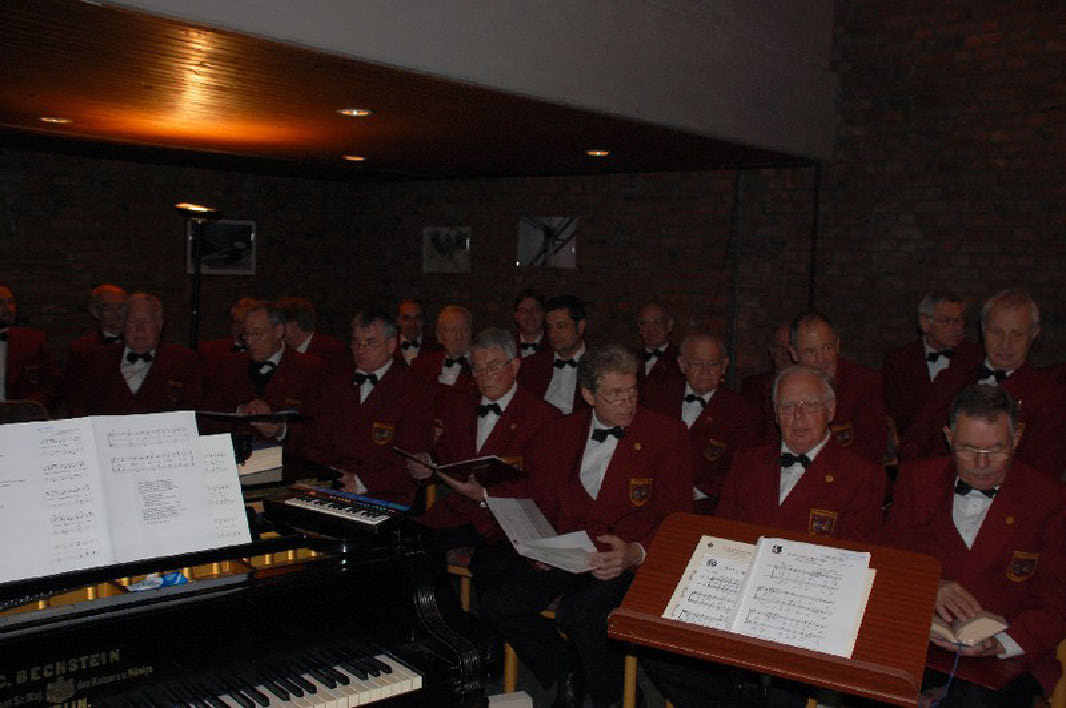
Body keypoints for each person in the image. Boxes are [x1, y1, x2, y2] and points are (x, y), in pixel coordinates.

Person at [645, 365, 885, 708]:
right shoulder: (748, 462)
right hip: (736, 601)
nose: (798, 417)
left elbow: (852, 564)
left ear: (831, 410)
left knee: (786, 690)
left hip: (802, 616)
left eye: (809, 405)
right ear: (775, 413)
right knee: (660, 653)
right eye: (787, 406)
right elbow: (723, 534)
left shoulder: (861, 476)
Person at [477, 344, 692, 708]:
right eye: (615, 395)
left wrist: (636, 552)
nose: (628, 403)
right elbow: (539, 498)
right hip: (568, 550)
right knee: (500, 604)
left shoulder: (667, 434)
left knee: (581, 615)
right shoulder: (561, 432)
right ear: (588, 395)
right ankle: (568, 670)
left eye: (632, 392)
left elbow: (678, 517)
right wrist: (538, 546)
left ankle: (613, 697)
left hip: (622, 558)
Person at [883, 384, 1066, 707]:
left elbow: (1056, 603)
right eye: (967, 449)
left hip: (1008, 661)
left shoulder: (1049, 500)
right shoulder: (916, 481)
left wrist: (1001, 642)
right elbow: (887, 566)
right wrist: (929, 586)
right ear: (949, 437)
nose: (981, 464)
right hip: (919, 649)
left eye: (995, 450)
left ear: (1017, 437)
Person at [410, 327, 560, 550]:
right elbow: (445, 454)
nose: (484, 376)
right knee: (406, 545)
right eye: (477, 368)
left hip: (507, 525)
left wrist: (486, 494)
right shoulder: (461, 407)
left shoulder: (543, 417)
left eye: (493, 367)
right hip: (458, 514)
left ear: (515, 366)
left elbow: (544, 486)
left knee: (490, 566)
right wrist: (427, 463)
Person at [900, 288, 1066, 478]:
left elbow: (1042, 472)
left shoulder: (1049, 397)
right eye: (996, 332)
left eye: (1017, 334)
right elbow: (913, 443)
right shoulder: (951, 380)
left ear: (1034, 333)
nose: (1005, 344)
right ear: (983, 329)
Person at [312, 308, 434, 505]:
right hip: (331, 486)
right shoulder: (335, 383)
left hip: (383, 495)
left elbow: (410, 460)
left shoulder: (413, 389)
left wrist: (361, 483)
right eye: (356, 342)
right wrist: (331, 475)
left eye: (370, 343)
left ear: (391, 345)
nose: (360, 350)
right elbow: (316, 441)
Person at [641, 333, 761, 512]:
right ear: (682, 364)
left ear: (724, 365)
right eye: (697, 363)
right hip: (652, 501)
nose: (706, 371)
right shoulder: (657, 399)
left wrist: (696, 492)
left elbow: (741, 469)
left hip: (706, 509)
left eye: (713, 364)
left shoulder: (742, 412)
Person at [204, 300, 324, 456]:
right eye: (246, 334)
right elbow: (207, 413)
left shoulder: (310, 369)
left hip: (287, 460)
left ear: (278, 331)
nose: (250, 341)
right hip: (234, 456)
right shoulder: (228, 365)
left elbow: (320, 424)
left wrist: (282, 429)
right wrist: (241, 411)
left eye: (257, 333)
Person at [73, 293, 202, 416]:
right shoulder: (96, 360)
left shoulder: (183, 361)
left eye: (147, 321)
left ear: (159, 325)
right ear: (123, 324)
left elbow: (194, 409)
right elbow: (79, 409)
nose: (140, 329)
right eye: (132, 321)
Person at [789, 312, 886, 464]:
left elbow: (871, 449)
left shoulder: (863, 383)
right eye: (811, 352)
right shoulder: (786, 389)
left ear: (838, 345)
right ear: (794, 354)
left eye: (827, 348)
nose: (821, 360)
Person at [881, 290, 982, 435]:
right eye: (947, 321)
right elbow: (892, 412)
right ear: (925, 323)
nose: (958, 328)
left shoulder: (975, 357)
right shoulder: (899, 360)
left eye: (960, 320)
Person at [517, 293, 590, 414]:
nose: (553, 334)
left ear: (580, 327)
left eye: (561, 326)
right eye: (550, 327)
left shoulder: (599, 364)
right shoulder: (531, 365)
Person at [63, 284, 128, 409]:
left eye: (121, 307)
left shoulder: (143, 344)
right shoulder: (82, 349)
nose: (117, 313)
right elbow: (75, 396)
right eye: (109, 307)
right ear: (95, 312)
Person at [0, 284, 60, 410]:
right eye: (1, 303)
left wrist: (29, 408)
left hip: (23, 416)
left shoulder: (33, 340)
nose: (8, 308)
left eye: (11, 302)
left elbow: (53, 382)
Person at [740, 322, 792, 442]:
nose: (785, 353)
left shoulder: (814, 388)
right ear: (771, 351)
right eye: (780, 347)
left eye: (790, 347)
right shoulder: (754, 387)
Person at [409, 305, 475, 391]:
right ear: (439, 336)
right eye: (452, 330)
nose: (459, 336)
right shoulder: (421, 366)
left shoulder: (481, 366)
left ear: (471, 332)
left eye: (465, 329)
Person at [276, 296, 349, 374]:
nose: (272, 329)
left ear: (293, 326)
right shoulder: (281, 352)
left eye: (276, 324)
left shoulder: (333, 352)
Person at [197, 296, 258, 376]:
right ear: (233, 325)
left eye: (251, 323)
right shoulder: (211, 351)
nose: (245, 328)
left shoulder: (267, 350)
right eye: (240, 322)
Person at [635, 302, 681, 391]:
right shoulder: (630, 359)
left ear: (669, 325)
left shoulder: (682, 360)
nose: (651, 328)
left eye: (657, 322)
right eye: (645, 323)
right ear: (640, 328)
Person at [395, 297, 437, 365]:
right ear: (398, 321)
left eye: (417, 318)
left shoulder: (436, 348)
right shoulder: (387, 348)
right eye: (407, 318)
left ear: (423, 321)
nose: (412, 324)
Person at [513, 288, 546, 357]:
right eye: (523, 311)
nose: (529, 315)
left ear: (543, 313)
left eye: (534, 310)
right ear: (516, 316)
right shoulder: (508, 345)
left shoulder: (555, 344)